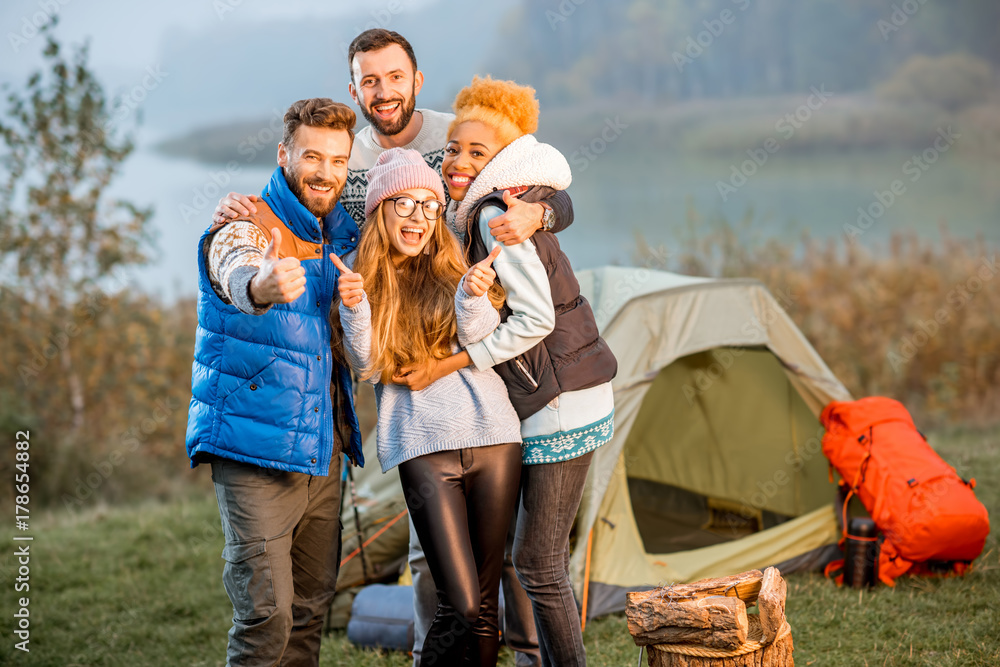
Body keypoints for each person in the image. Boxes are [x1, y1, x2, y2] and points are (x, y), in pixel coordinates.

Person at [210, 28, 574, 666]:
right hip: (394, 423)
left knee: (486, 589)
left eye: (394, 77)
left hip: (479, 413)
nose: (383, 91)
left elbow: (545, 177)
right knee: (433, 587)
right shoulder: (338, 181)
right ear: (354, 89)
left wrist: (539, 216)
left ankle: (527, 657)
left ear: (416, 81)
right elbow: (267, 246)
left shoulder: (455, 138)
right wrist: (256, 261)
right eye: (369, 81)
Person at [439, 76, 619, 666]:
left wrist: (462, 359)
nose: (460, 161)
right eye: (454, 149)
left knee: (538, 563)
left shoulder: (499, 214)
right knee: (537, 558)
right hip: (557, 391)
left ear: (504, 160)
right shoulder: (491, 206)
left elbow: (537, 320)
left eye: (478, 152)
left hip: (560, 398)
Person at [184, 97, 364, 667]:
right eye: (313, 156)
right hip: (254, 454)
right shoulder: (246, 221)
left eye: (339, 160)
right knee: (267, 618)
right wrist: (260, 284)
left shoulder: (342, 233)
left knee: (311, 610)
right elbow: (232, 266)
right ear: (284, 154)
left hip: (322, 455)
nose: (326, 172)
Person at [332, 147, 523, 667]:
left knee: (485, 607)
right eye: (406, 204)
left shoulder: (452, 259)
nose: (420, 217)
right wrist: (354, 309)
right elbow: (366, 362)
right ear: (380, 210)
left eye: (430, 205)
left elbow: (482, 341)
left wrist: (471, 296)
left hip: (493, 436)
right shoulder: (357, 275)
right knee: (459, 603)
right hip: (423, 446)